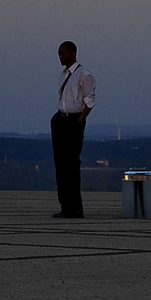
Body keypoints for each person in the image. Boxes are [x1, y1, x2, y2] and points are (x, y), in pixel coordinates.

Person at [51, 40, 96, 218]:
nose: (61, 57)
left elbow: (90, 101)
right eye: (59, 54)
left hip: (73, 121)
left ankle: (76, 207)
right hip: (60, 119)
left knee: (71, 165)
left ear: (73, 53)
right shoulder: (63, 75)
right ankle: (65, 206)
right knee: (60, 166)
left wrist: (79, 120)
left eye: (64, 53)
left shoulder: (84, 75)